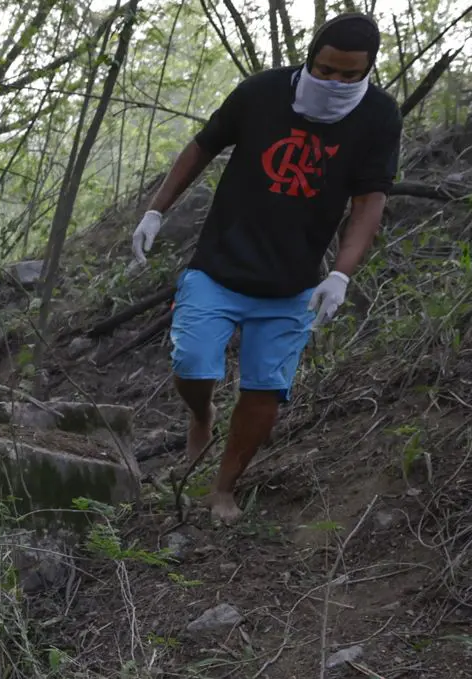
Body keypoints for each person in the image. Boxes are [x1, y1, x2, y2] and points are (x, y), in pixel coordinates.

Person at [130, 12, 398, 525]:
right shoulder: (262, 92)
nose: (334, 82)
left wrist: (340, 274)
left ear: (367, 71)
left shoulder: (379, 117)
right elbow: (204, 145)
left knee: (264, 391)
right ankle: (201, 417)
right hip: (218, 265)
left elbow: (369, 202)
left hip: (291, 282)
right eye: (324, 69)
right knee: (192, 361)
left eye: (348, 75)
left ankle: (223, 487)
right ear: (309, 57)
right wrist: (156, 209)